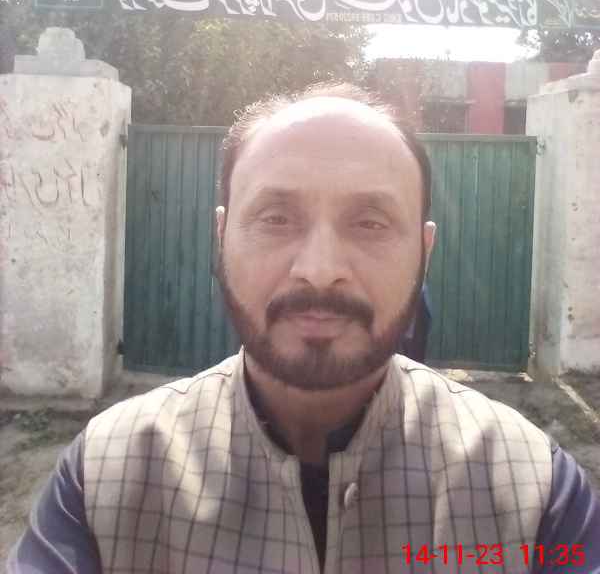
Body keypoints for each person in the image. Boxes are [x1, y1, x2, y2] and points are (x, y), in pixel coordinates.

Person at [8, 82, 600, 573]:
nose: (319, 269)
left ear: (425, 252)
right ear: (222, 237)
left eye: (369, 223)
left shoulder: (532, 489)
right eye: (275, 218)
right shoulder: (107, 475)